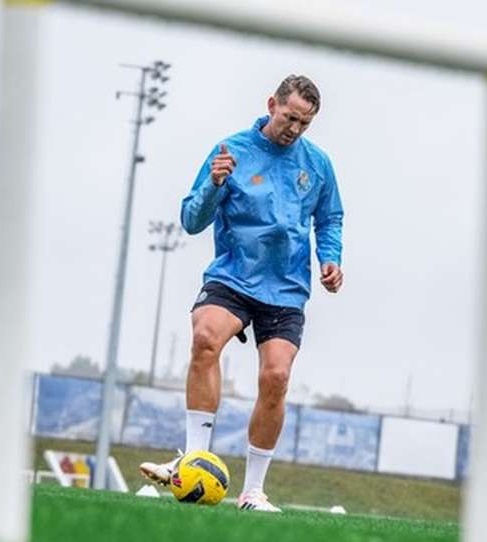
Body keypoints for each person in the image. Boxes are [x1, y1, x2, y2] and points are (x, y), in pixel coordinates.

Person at [139, 75, 344, 512]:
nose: (294, 130)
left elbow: (330, 219)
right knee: (204, 337)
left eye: (304, 124)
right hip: (233, 277)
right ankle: (194, 458)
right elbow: (192, 220)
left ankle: (253, 491)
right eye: (290, 118)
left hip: (286, 288)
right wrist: (214, 185)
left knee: (276, 377)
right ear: (272, 104)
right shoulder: (231, 150)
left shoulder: (318, 165)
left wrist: (331, 259)